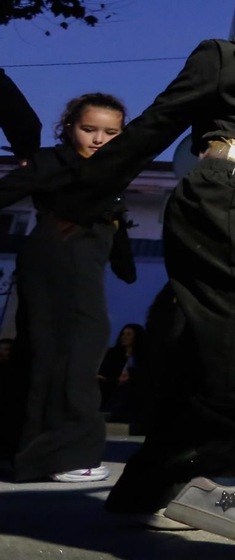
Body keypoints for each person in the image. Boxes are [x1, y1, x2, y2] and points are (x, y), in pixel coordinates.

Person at [22, 0, 235, 551]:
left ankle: (148, 485)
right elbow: (155, 125)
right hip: (220, 192)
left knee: (219, 347)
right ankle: (223, 477)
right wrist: (84, 199)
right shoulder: (222, 57)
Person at [1, 93, 137, 484]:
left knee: (43, 351)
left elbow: (114, 221)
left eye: (111, 132)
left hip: (83, 260)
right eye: (89, 129)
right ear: (68, 127)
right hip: (59, 254)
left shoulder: (114, 169)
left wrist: (124, 265)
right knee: (76, 347)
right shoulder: (52, 160)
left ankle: (19, 452)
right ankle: (65, 455)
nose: (99, 139)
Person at [98, 322, 144, 422]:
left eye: (129, 334)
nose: (124, 337)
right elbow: (104, 373)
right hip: (112, 385)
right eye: (123, 334)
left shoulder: (143, 357)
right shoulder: (113, 354)